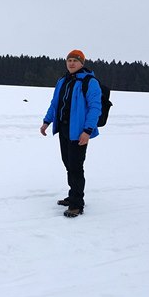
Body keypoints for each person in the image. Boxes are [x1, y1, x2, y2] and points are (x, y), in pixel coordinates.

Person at [40, 49, 102, 218]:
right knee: (68, 164)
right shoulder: (62, 80)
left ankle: (77, 204)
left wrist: (87, 131)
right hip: (64, 129)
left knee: (76, 167)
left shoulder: (90, 82)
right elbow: (55, 104)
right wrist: (47, 121)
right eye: (69, 60)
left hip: (79, 132)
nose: (71, 63)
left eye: (75, 60)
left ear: (82, 63)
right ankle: (72, 195)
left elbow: (95, 108)